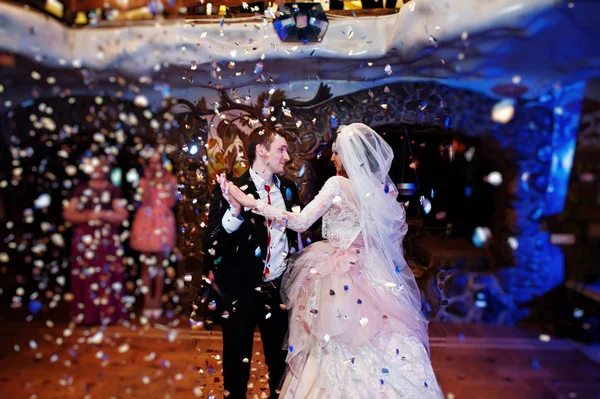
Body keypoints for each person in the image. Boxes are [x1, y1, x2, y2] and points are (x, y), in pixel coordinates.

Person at [218, 123, 443, 398]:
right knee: (374, 340)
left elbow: (301, 222)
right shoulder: (379, 191)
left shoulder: (336, 184)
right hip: (370, 274)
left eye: (336, 152)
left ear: (348, 156)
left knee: (331, 343)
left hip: (337, 276)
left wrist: (251, 203)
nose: (333, 157)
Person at [203, 127, 303, 399]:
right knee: (236, 373)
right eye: (281, 149)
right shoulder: (231, 188)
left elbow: (297, 236)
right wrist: (234, 213)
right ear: (262, 150)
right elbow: (211, 244)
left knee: (282, 370)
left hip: (278, 293)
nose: (287, 156)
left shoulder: (290, 189)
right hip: (239, 294)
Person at [63, 153, 129, 326]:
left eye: (102, 166)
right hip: (85, 238)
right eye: (95, 166)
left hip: (106, 238)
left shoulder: (113, 189)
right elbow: (69, 214)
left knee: (107, 274)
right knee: (86, 275)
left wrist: (105, 214)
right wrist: (88, 215)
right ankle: (87, 315)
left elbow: (122, 215)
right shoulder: (80, 189)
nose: (98, 170)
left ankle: (107, 315)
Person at [130, 150, 177, 319]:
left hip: (163, 221)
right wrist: (149, 182)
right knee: (145, 264)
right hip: (146, 221)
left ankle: (157, 300)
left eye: (157, 162)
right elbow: (143, 201)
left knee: (159, 264)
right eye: (151, 163)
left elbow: (171, 202)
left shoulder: (171, 180)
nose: (154, 166)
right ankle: (146, 300)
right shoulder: (143, 181)